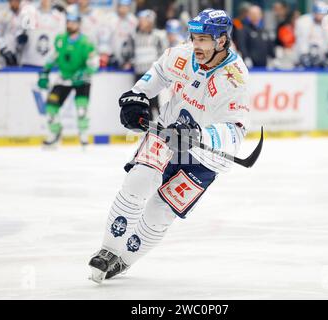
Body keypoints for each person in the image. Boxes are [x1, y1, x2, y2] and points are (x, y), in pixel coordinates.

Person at [88, 8, 250, 283]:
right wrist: (137, 95)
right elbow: (159, 74)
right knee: (139, 180)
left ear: (221, 41)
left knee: (159, 211)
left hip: (205, 158)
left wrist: (200, 134)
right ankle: (108, 249)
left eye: (204, 40)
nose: (196, 45)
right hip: (167, 132)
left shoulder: (234, 78)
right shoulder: (182, 55)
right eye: (195, 38)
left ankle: (124, 259)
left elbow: (235, 131)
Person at [37, 5, 99, 147]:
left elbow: (94, 63)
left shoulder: (86, 42)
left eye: (73, 22)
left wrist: (84, 72)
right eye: (68, 22)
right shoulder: (60, 39)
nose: (70, 24)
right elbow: (52, 57)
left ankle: (83, 136)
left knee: (81, 109)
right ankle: (55, 133)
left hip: (81, 80)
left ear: (79, 24)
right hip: (63, 78)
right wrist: (44, 73)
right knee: (51, 106)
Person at [20, 0, 66, 67]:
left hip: (50, 62)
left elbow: (62, 39)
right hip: (30, 60)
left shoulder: (60, 16)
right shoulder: (30, 12)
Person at [294, 1, 328, 68]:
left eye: (322, 13)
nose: (320, 16)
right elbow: (301, 40)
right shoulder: (303, 21)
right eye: (318, 13)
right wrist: (304, 54)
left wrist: (325, 54)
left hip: (321, 55)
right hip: (305, 54)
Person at [101, 0, 138, 68]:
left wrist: (131, 58)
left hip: (127, 57)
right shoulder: (110, 18)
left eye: (126, 7)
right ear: (118, 7)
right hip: (112, 55)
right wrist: (105, 53)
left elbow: (134, 40)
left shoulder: (133, 20)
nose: (124, 9)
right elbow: (104, 38)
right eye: (122, 6)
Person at [0, 0, 27, 66]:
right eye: (13, 1)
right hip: (4, 55)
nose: (15, 3)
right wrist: (4, 50)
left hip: (19, 56)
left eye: (17, 1)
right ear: (9, 2)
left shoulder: (24, 15)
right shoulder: (2, 14)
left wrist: (21, 36)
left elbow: (23, 31)